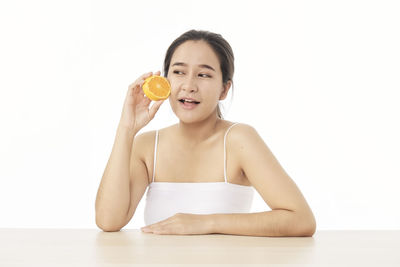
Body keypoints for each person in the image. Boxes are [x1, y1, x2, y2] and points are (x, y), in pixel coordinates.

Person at [95, 30, 316, 237]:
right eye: (179, 72)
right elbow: (108, 221)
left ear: (224, 89)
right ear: (165, 81)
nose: (189, 85)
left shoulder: (239, 140)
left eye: (203, 75)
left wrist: (205, 223)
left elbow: (301, 219)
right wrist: (126, 129)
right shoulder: (146, 146)